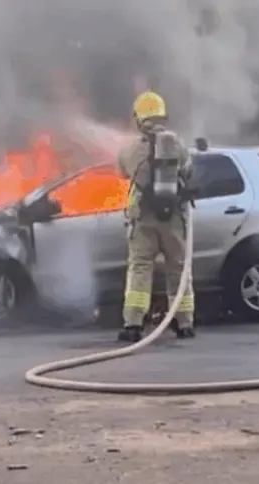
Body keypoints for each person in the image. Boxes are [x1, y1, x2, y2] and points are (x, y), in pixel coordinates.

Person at [115, 90, 196, 342]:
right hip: (173, 218)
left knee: (140, 267)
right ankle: (184, 324)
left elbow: (121, 173)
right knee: (179, 269)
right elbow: (188, 171)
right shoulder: (178, 144)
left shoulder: (130, 149)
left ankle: (133, 324)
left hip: (143, 218)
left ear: (139, 117)